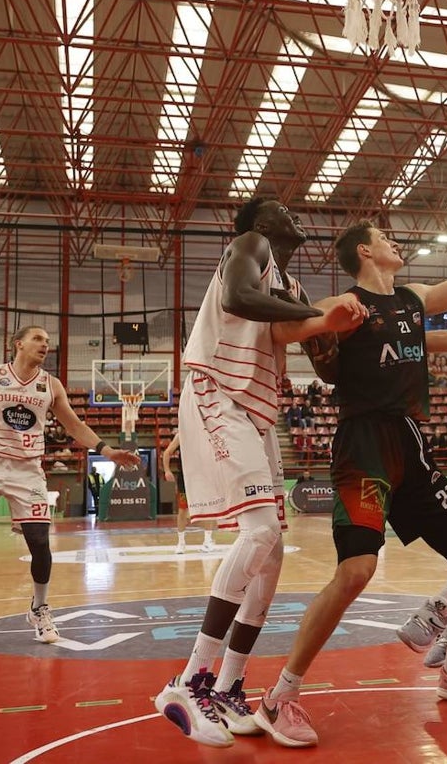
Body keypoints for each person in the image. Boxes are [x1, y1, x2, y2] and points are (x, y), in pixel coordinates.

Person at [252, 186, 447, 749]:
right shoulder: (340, 303)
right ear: (366, 253)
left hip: (411, 444)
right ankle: (280, 695)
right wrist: (326, 330)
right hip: (363, 445)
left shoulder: (413, 298)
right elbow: (282, 332)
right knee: (356, 572)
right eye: (385, 238)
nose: (395, 242)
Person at [153, 197, 367, 749]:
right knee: (260, 533)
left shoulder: (292, 289)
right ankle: (189, 680)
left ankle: (227, 686)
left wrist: (336, 331)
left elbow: (328, 365)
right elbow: (238, 297)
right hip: (217, 391)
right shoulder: (251, 248)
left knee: (270, 559)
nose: (290, 214)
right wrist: (318, 316)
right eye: (278, 209)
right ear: (259, 225)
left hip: (256, 408)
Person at [0, 326, 140, 653]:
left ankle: (39, 609)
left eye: (48, 342)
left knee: (40, 543)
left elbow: (74, 425)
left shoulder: (50, 385)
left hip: (27, 469)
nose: (45, 345)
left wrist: (107, 451)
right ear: (18, 344)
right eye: (38, 339)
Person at [159, 433, 216, 554]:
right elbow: (167, 452)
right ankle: (181, 542)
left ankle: (208, 540)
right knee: (182, 510)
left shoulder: (206, 432)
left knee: (207, 508)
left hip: (204, 475)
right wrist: (167, 470)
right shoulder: (181, 435)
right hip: (185, 477)